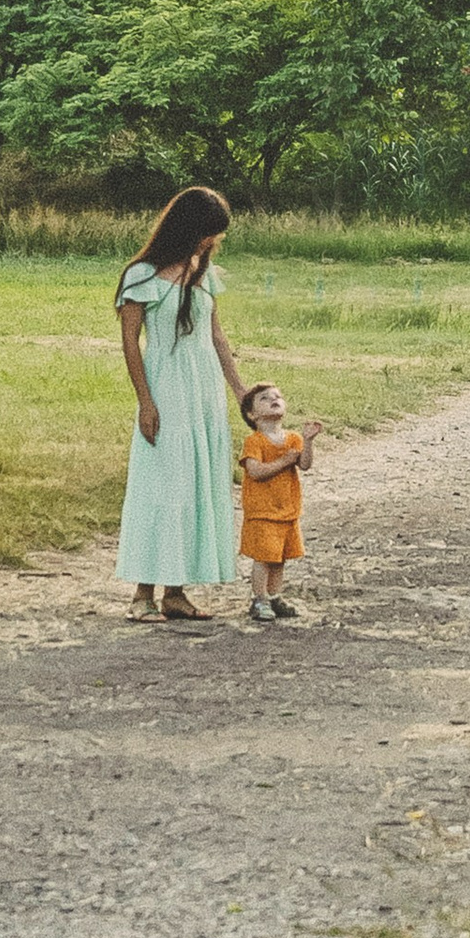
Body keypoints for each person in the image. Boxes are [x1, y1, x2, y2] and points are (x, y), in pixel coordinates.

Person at [115, 186, 248, 621]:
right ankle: (142, 593)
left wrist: (240, 391)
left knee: (193, 484)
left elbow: (216, 337)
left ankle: (176, 591)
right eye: (207, 233)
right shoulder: (142, 275)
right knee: (162, 484)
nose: (211, 242)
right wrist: (145, 402)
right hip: (167, 389)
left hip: (203, 391)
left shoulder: (202, 274)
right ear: (188, 228)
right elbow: (131, 344)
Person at [236, 380, 320, 623]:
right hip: (262, 511)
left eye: (277, 396)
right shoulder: (255, 441)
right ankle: (259, 597)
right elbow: (255, 471)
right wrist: (284, 461)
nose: (274, 399)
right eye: (264, 398)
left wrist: (309, 441)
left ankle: (275, 596)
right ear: (252, 414)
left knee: (280, 557)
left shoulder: (293, 438)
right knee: (263, 557)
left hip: (287, 509)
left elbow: (304, 464)